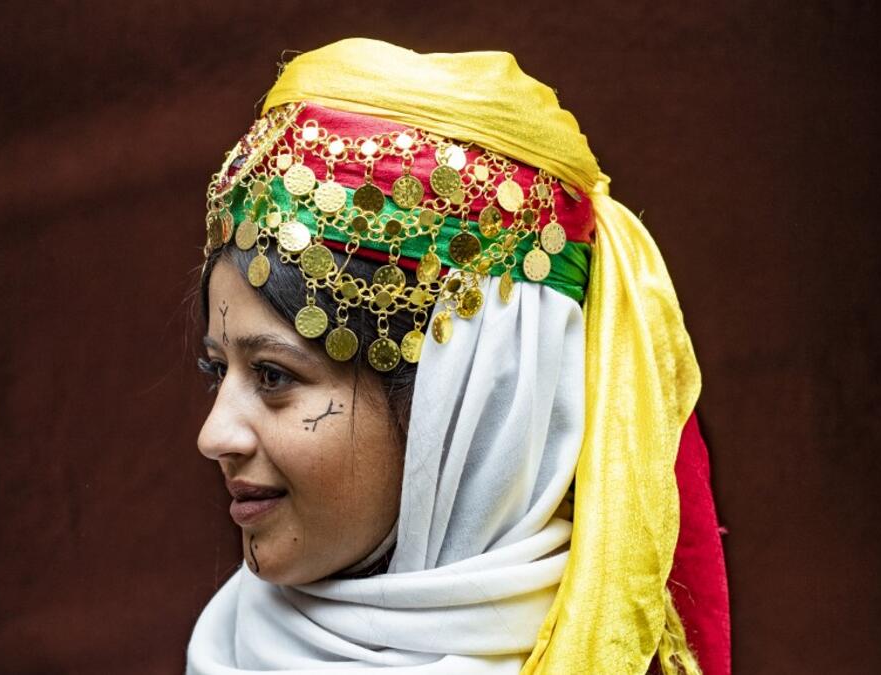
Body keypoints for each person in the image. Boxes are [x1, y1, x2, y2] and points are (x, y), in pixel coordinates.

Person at [187, 38, 730, 674]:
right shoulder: (229, 642)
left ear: (462, 408)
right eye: (218, 370)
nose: (212, 436)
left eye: (273, 376)